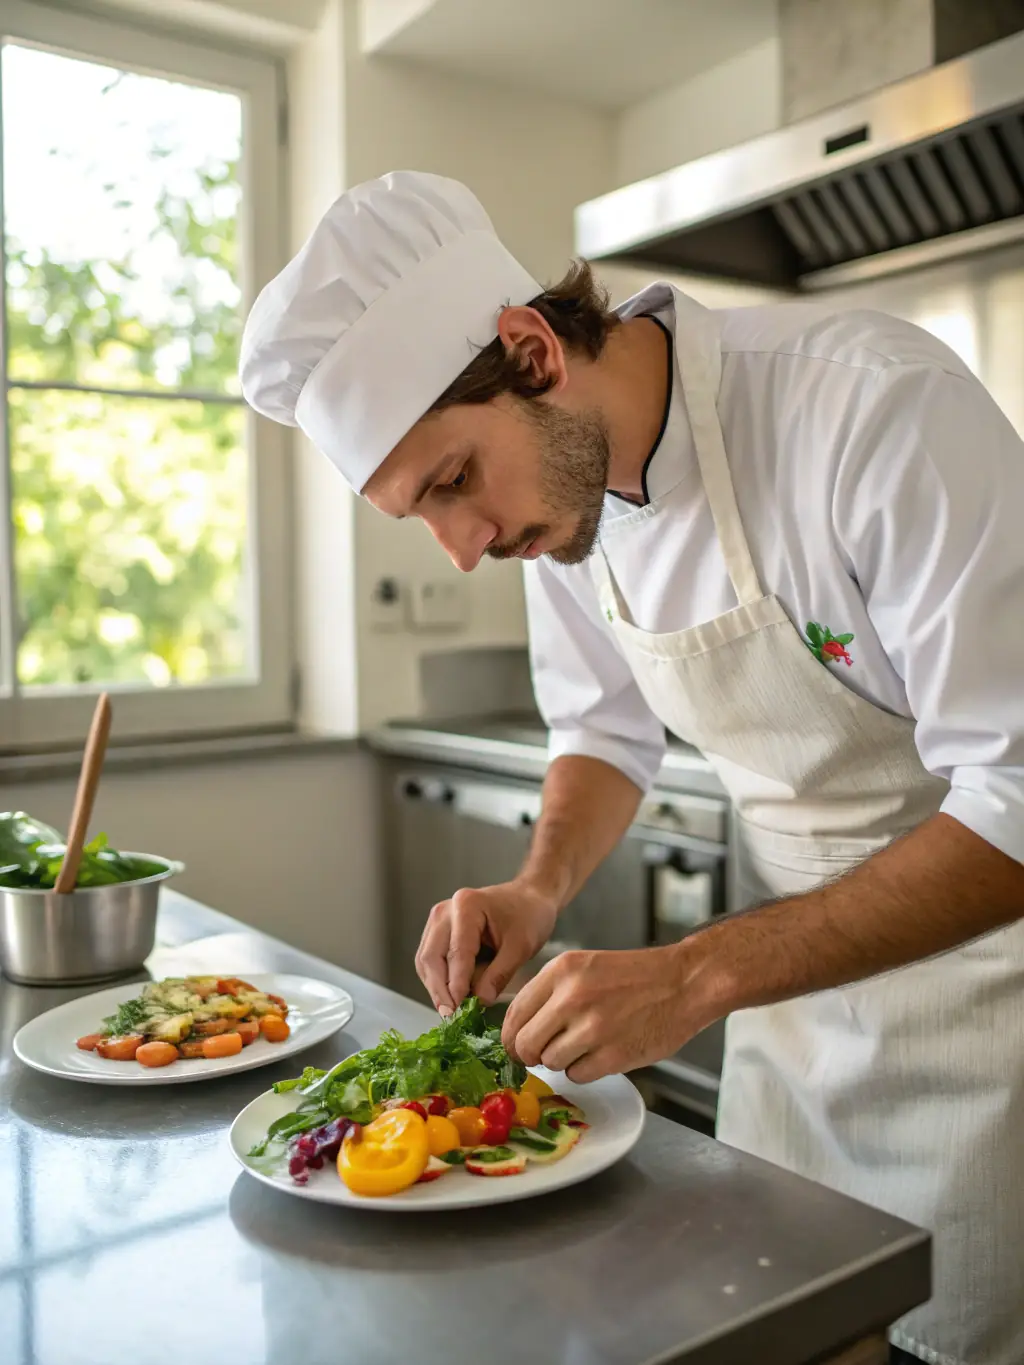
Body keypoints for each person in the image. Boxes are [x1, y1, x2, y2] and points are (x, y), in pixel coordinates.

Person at [240, 170, 1024, 1365]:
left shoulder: (870, 412)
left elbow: (1018, 804)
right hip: (790, 1020)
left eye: (453, 481)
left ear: (532, 352)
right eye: (420, 515)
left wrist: (695, 976)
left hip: (989, 1028)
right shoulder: (561, 509)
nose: (463, 547)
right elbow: (603, 735)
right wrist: (538, 888)